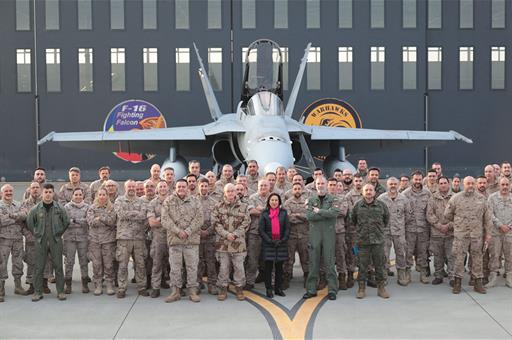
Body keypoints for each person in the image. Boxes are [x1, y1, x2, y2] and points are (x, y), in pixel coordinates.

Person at [444, 176, 493, 294]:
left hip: (477, 235)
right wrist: (459, 222)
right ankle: (457, 283)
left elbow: (487, 219)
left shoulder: (482, 199)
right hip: (461, 235)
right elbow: (447, 215)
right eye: (468, 183)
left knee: (477, 259)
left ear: (475, 184)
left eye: (472, 183)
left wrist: (488, 234)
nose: (470, 185)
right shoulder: (456, 198)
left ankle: (478, 283)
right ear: (463, 184)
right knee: (459, 258)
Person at [161, 179, 203, 303]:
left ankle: (192, 291)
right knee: (175, 267)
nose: (181, 189)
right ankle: (175, 292)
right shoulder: (168, 201)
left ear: (187, 188)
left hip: (191, 240)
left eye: (183, 186)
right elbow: (164, 219)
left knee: (192, 267)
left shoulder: (195, 201)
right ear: (175, 188)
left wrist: (188, 231)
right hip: (175, 240)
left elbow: (200, 218)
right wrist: (178, 231)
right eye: (179, 186)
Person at [26, 183, 69, 302]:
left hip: (56, 240)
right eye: (46, 192)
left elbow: (66, 222)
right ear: (42, 193)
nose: (48, 194)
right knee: (39, 267)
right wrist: (37, 233)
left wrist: (59, 233)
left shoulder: (59, 208)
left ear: (53, 193)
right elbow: (30, 223)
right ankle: (38, 292)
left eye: (50, 192)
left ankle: (60, 291)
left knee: (58, 267)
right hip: (41, 240)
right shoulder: (35, 209)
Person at [303, 176, 340, 301]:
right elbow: (308, 216)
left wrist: (318, 211)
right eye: (318, 183)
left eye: (323, 183)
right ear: (315, 184)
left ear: (327, 184)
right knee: (313, 263)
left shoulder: (333, 199)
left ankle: (332, 290)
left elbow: (334, 214)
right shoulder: (311, 199)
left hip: (328, 234)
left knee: (329, 263)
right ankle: (311, 289)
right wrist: (325, 213)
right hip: (315, 235)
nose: (320, 185)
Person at [211, 183, 250, 301]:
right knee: (224, 267)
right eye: (228, 191)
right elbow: (215, 223)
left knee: (239, 267)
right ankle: (223, 288)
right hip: (223, 243)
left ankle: (239, 288)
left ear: (236, 192)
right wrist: (226, 234)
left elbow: (246, 222)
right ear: (224, 193)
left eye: (233, 191)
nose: (231, 193)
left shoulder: (243, 207)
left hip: (238, 243)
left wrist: (235, 234)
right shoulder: (218, 207)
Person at [351, 184, 390, 299]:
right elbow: (353, 220)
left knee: (380, 265)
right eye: (366, 190)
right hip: (362, 242)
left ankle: (381, 288)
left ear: (374, 192)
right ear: (362, 192)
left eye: (370, 190)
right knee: (362, 266)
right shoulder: (357, 206)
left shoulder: (381, 205)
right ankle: (361, 288)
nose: (368, 192)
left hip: (378, 241)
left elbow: (386, 219)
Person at [114, 180, 149, 298]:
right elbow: (120, 214)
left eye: (133, 187)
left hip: (139, 238)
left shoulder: (142, 201)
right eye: (129, 186)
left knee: (140, 264)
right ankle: (122, 288)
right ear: (125, 188)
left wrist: (129, 213)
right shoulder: (119, 200)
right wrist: (135, 213)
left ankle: (142, 287)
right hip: (124, 238)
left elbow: (143, 215)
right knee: (123, 264)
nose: (131, 189)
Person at [377, 177, 410, 285]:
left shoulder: (403, 198)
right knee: (384, 254)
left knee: (401, 253)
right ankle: (384, 274)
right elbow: (377, 215)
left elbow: (408, 215)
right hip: (385, 231)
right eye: (390, 184)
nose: (393, 186)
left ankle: (401, 273)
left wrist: (400, 225)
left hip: (399, 232)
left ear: (398, 184)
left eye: (395, 184)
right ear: (387, 185)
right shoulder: (381, 199)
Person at [0, 184, 29, 302]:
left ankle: (18, 286)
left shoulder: (18, 204)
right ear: (2, 193)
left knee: (18, 263)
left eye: (10, 191)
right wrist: (17, 218)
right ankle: (1, 288)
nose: (8, 193)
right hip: (3, 239)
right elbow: (2, 221)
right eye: (6, 191)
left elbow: (25, 216)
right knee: (2, 263)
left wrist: (11, 216)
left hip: (17, 238)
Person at [86, 187, 117, 295]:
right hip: (94, 240)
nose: (102, 196)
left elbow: (112, 221)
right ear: (97, 196)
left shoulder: (111, 208)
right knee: (97, 264)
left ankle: (109, 284)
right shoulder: (92, 208)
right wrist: (103, 219)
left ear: (107, 196)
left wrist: (100, 218)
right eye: (100, 194)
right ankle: (98, 284)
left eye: (104, 195)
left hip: (108, 240)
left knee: (108, 264)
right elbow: (90, 222)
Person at [403, 170, 432, 284]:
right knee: (408, 252)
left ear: (422, 180)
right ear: (412, 180)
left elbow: (430, 211)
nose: (418, 181)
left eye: (420, 179)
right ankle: (407, 274)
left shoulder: (427, 193)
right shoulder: (405, 194)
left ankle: (423, 274)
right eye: (416, 179)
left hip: (423, 229)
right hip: (410, 229)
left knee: (423, 252)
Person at [259, 193, 290, 298]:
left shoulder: (284, 213)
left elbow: (287, 228)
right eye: (272, 200)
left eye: (276, 200)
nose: (274, 202)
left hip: (281, 243)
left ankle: (278, 288)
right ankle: (268, 288)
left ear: (279, 202)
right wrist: (270, 240)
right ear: (269, 201)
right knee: (268, 267)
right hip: (268, 244)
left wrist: (282, 240)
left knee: (279, 268)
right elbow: (261, 230)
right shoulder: (264, 213)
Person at [426, 176, 454, 285]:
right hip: (437, 233)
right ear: (438, 185)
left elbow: (459, 214)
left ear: (448, 183)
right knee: (438, 256)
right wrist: (439, 226)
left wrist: (449, 225)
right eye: (441, 183)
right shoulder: (433, 198)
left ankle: (452, 276)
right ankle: (438, 275)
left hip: (451, 233)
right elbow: (429, 214)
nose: (443, 185)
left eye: (445, 183)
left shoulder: (455, 198)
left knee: (451, 256)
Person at [486, 177, 512, 288]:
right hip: (496, 232)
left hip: (510, 233)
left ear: (510, 185)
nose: (505, 187)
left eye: (507, 184)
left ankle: (509, 278)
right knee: (494, 255)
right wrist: (500, 225)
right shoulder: (492, 198)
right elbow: (489, 214)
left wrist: (509, 226)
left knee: (510, 256)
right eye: (503, 184)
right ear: (499, 185)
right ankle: (493, 278)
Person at [63, 188, 90, 294]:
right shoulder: (66, 207)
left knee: (84, 261)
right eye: (76, 194)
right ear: (72, 196)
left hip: (83, 238)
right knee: (69, 262)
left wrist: (73, 220)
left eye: (80, 194)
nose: (78, 196)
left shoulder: (87, 207)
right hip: (69, 238)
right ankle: (68, 285)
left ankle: (85, 284)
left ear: (83, 196)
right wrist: (79, 221)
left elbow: (88, 221)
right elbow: (65, 221)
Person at [283, 183, 309, 289]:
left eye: (299, 188)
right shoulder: (287, 203)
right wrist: (301, 217)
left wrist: (296, 214)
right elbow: (288, 218)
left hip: (304, 234)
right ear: (292, 190)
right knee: (289, 258)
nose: (297, 190)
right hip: (291, 235)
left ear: (302, 190)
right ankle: (287, 277)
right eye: (295, 189)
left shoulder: (307, 202)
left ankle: (307, 277)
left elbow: (309, 216)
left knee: (305, 257)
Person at [147, 181, 170, 298]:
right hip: (158, 239)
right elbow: (152, 223)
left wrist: (159, 219)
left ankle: (177, 287)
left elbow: (177, 220)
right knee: (157, 264)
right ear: (157, 189)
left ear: (168, 188)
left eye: (164, 186)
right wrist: (165, 218)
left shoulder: (173, 201)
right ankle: (155, 287)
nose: (162, 188)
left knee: (175, 265)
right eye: (160, 186)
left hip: (172, 238)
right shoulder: (152, 203)